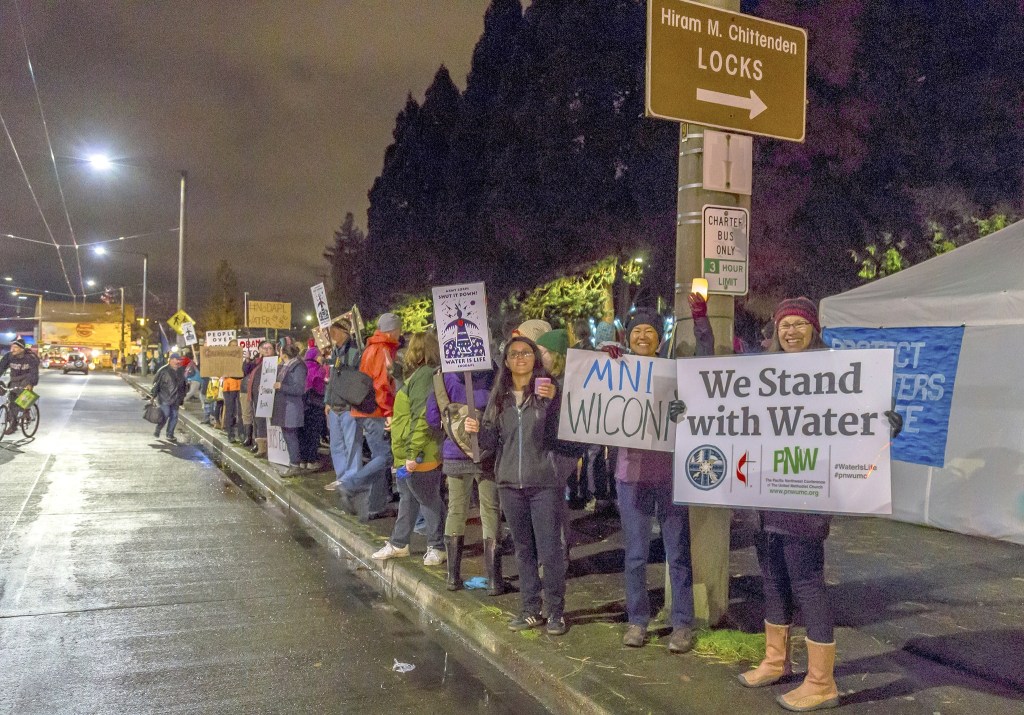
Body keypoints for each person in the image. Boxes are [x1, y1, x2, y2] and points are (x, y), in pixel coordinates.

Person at [735, 297, 902, 712]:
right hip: (762, 493)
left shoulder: (835, 371)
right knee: (772, 580)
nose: (790, 331)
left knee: (807, 585)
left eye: (799, 324)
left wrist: (888, 424)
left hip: (805, 494)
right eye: (784, 324)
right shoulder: (761, 371)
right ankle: (776, 661)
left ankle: (821, 682)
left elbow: (859, 419)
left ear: (814, 329)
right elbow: (726, 413)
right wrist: (690, 414)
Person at [467, 336, 569, 636]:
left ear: (535, 359)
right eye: (514, 354)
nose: (520, 358)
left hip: (543, 484)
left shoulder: (550, 392)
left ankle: (555, 611)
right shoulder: (500, 400)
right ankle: (530, 609)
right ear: (507, 361)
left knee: (549, 551)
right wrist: (474, 429)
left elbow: (562, 434)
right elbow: (489, 444)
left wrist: (553, 404)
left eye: (526, 353)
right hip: (510, 484)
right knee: (523, 550)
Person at [613, 307, 697, 654]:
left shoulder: (674, 373)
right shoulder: (616, 371)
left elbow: (696, 401)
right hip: (631, 474)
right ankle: (637, 620)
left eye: (649, 331)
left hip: (670, 474)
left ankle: (682, 624)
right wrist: (604, 363)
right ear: (628, 339)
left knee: (677, 553)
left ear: (659, 340)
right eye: (636, 332)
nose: (643, 337)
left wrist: (684, 408)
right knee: (635, 554)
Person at [372, 333, 447, 566]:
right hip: (407, 452)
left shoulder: (424, 376)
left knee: (427, 497)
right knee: (408, 495)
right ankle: (399, 543)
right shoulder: (420, 375)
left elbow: (422, 416)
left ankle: (437, 546)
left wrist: (414, 453)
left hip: (418, 453)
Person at [426, 364, 500, 593]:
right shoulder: (492, 372)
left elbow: (432, 417)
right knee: (490, 510)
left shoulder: (443, 376)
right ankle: (495, 580)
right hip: (487, 454)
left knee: (456, 510)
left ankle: (452, 577)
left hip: (455, 452)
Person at [339, 312, 402, 521]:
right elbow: (382, 386)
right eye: (398, 330)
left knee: (379, 456)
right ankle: (351, 485)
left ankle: (377, 505)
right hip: (375, 410)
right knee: (385, 456)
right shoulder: (383, 349)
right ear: (392, 330)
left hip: (363, 408)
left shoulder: (371, 347)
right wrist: (389, 413)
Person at [323, 318, 363, 490]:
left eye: (335, 331)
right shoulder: (335, 353)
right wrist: (328, 400)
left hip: (348, 406)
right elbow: (332, 379)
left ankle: (352, 479)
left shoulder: (354, 352)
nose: (332, 335)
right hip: (334, 406)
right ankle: (341, 477)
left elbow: (355, 378)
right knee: (336, 445)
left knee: (352, 445)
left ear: (345, 332)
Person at [272, 342, 307, 476]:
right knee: (288, 434)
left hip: (291, 407)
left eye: (280, 351)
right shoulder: (285, 366)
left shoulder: (298, 367)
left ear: (284, 354)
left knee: (291, 435)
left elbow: (299, 389)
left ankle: (295, 465)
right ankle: (294, 462)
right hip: (283, 406)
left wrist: (281, 386)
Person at [0, 338, 40, 434]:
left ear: (22, 349)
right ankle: (13, 425)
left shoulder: (30, 358)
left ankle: (26, 409)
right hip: (14, 379)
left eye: (15, 347)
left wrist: (30, 384)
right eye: (12, 347)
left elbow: (34, 372)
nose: (12, 349)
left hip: (27, 379)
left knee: (22, 397)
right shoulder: (9, 357)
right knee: (12, 402)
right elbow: (1, 368)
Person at [299, 342, 328, 469]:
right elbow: (320, 388)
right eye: (320, 355)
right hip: (315, 405)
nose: (322, 357)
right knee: (313, 433)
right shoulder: (318, 369)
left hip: (302, 405)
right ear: (316, 357)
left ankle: (303, 460)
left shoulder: (302, 368)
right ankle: (312, 460)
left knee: (303, 433)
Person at [247, 340, 277, 457]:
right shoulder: (258, 362)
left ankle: (272, 449)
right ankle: (261, 447)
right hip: (258, 397)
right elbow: (245, 371)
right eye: (264, 348)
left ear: (274, 350)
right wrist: (248, 360)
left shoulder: (276, 362)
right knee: (259, 421)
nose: (266, 350)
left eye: (269, 348)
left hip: (270, 396)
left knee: (269, 421)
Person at [150, 353, 186, 442]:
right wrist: (153, 396)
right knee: (165, 415)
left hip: (176, 398)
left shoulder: (181, 370)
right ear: (171, 360)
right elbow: (156, 384)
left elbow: (184, 385)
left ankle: (170, 434)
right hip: (164, 398)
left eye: (179, 360)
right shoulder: (163, 370)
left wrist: (183, 396)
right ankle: (158, 429)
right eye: (176, 359)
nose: (178, 361)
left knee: (174, 416)